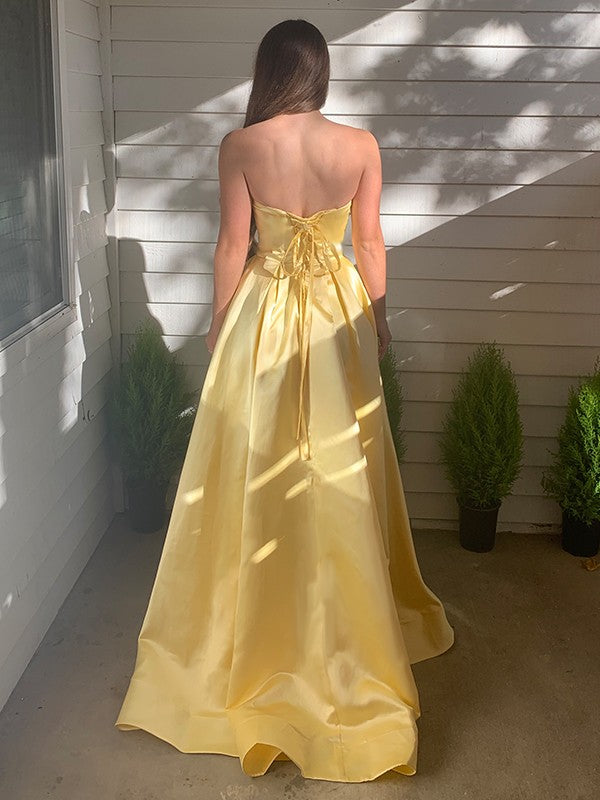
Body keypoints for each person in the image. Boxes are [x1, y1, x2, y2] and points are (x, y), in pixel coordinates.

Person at [114, 18, 455, 783]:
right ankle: (343, 624)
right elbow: (370, 244)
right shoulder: (360, 146)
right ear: (321, 72)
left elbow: (231, 246)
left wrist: (218, 323)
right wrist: (380, 320)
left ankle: (254, 619)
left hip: (264, 317)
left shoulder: (241, 146)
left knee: (256, 452)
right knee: (336, 457)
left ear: (270, 71)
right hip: (336, 317)